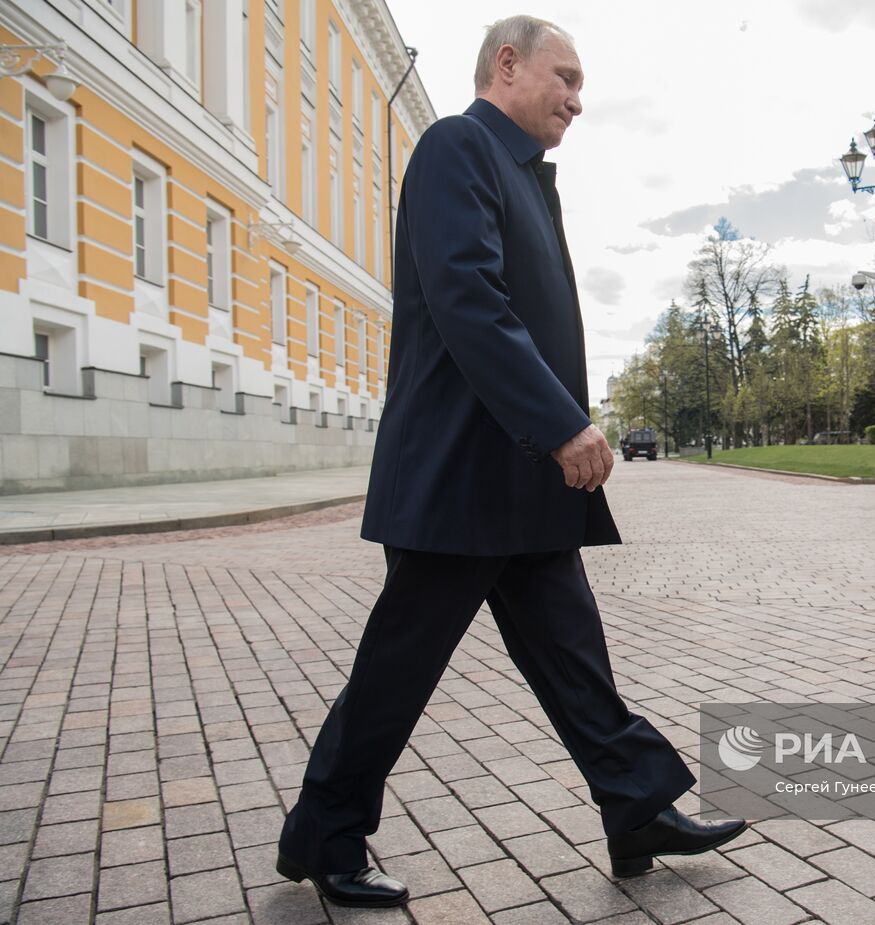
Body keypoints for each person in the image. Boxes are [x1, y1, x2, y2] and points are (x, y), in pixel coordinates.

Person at [276, 18, 744, 906]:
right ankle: (324, 834)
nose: (576, 99)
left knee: (575, 658)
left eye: (582, 86)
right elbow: (469, 300)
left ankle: (637, 803)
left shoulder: (524, 174)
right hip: (459, 476)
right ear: (507, 64)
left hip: (516, 480)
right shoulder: (458, 146)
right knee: (395, 671)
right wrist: (563, 424)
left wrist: (555, 428)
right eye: (564, 77)